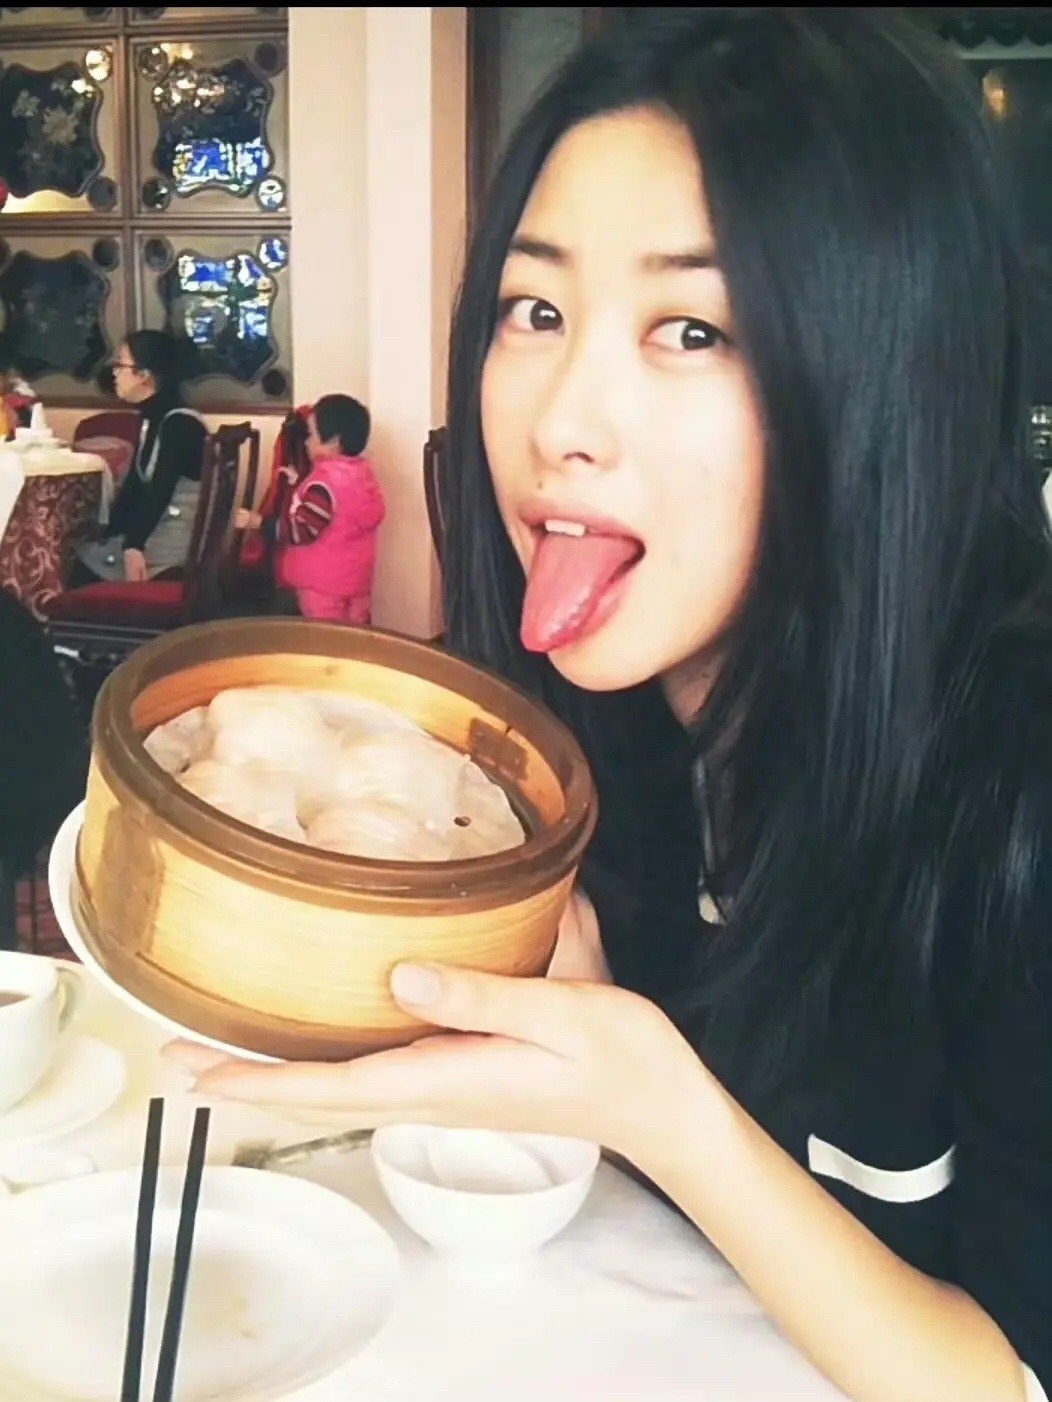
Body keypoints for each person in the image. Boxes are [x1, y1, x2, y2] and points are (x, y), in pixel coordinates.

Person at [171, 12, 1052, 1401]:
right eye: (535, 311)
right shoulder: (600, 745)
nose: (559, 421)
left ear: (891, 368)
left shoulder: (1015, 780)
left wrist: (662, 1111)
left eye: (691, 329)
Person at [70, 331, 207, 585]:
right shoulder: (153, 417)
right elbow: (135, 485)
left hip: (174, 540)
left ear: (144, 375)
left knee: (75, 568)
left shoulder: (179, 423)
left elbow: (159, 491)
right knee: (78, 552)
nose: (113, 372)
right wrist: (111, 533)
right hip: (159, 528)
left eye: (120, 364)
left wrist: (133, 545)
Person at [237, 393, 385, 624]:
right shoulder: (362, 476)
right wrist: (300, 483)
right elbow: (339, 511)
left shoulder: (323, 485)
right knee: (354, 636)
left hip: (321, 587)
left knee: (322, 638)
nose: (306, 442)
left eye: (311, 435)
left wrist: (258, 522)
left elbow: (300, 531)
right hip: (356, 584)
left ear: (333, 442)